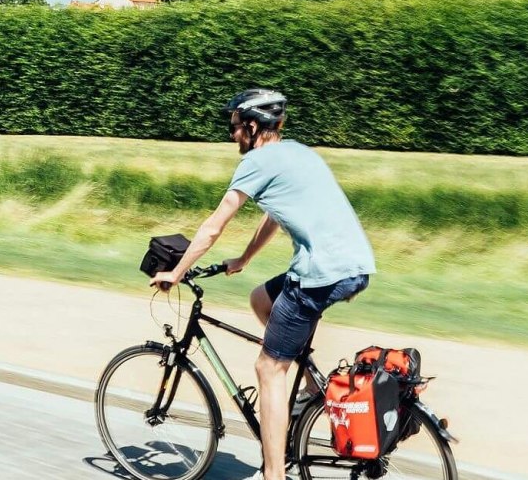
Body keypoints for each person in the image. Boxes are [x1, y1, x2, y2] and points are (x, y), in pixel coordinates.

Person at [149, 89, 376, 480]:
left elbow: (214, 226)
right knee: (260, 299)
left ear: (252, 127)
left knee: (269, 368)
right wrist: (245, 260)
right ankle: (308, 390)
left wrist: (176, 271)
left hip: (319, 274)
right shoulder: (299, 153)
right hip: (355, 266)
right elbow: (275, 214)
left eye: (234, 127)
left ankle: (275, 474)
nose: (232, 135)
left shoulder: (257, 161)